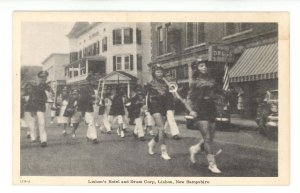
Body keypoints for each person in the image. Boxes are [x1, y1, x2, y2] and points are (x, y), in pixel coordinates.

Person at [187, 59, 222, 173]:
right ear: (197, 68)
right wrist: (191, 110)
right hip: (200, 108)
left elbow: (217, 93)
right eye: (201, 66)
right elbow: (190, 97)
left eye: (205, 65)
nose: (204, 67)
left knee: (210, 137)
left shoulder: (212, 80)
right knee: (207, 138)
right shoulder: (195, 82)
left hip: (211, 108)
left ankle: (195, 149)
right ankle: (212, 164)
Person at [146, 64, 173, 160]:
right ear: (154, 73)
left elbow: (169, 97)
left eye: (161, 72)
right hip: (154, 107)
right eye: (157, 72)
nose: (160, 73)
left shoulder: (167, 84)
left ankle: (152, 143)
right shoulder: (150, 84)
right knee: (161, 128)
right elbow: (145, 96)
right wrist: (145, 107)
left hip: (163, 107)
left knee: (161, 130)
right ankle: (164, 151)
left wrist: (172, 93)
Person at [25, 71, 51, 147]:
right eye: (42, 77)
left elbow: (52, 97)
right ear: (39, 78)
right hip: (39, 107)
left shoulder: (49, 87)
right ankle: (43, 140)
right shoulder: (36, 87)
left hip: (47, 107)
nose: (43, 78)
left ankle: (40, 137)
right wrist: (32, 109)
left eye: (45, 77)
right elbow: (32, 99)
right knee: (41, 123)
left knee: (44, 124)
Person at [77, 75, 99, 144]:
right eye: (93, 80)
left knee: (92, 123)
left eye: (94, 79)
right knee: (91, 123)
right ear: (89, 81)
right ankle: (94, 137)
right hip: (87, 107)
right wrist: (92, 97)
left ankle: (88, 135)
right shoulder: (84, 88)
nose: (95, 81)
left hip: (93, 107)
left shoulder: (94, 88)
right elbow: (82, 99)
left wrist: (97, 99)